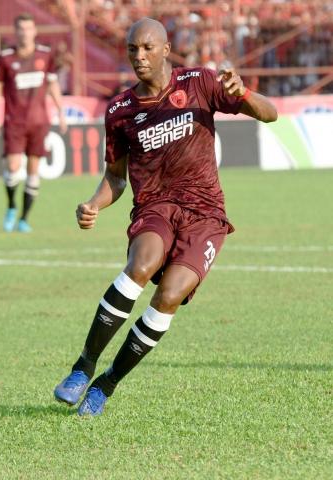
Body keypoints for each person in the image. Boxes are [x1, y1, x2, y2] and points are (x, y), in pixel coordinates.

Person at [53, 18, 277, 417]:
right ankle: (82, 367)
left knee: (169, 296)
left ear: (166, 49)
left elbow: (269, 113)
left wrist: (241, 91)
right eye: (132, 50)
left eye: (147, 48)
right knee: (140, 265)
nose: (139, 57)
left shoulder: (200, 82)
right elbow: (115, 179)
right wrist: (93, 204)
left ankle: (107, 384)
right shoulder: (120, 110)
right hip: (155, 207)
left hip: (206, 214)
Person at [0, 13, 67, 233]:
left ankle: (24, 219)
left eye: (28, 28)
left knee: (33, 170)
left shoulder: (45, 55)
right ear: (15, 32)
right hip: (14, 121)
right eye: (21, 28)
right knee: (13, 166)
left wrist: (61, 112)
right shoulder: (5, 58)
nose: (25, 32)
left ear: (34, 31)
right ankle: (12, 205)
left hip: (39, 122)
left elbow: (52, 85)